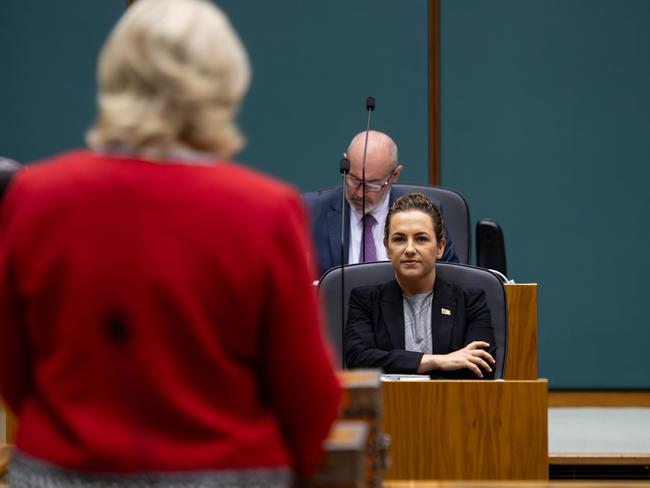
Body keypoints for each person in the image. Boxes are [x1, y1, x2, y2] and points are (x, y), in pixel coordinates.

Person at [0, 1, 340, 486]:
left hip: (64, 471)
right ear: (225, 87)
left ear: (113, 78)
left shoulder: (35, 196)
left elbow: (13, 368)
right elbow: (308, 395)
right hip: (227, 473)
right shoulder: (264, 209)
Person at [344, 193, 496, 379]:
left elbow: (481, 367)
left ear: (440, 247)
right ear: (387, 248)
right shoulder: (365, 300)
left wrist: (394, 367)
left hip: (453, 405)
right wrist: (438, 361)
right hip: (387, 406)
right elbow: (358, 360)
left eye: (421, 239)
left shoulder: (470, 301)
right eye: (399, 239)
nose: (409, 249)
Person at [303, 130, 459, 279]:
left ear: (395, 175)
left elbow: (451, 281)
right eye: (353, 180)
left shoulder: (425, 213)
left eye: (372, 185)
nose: (360, 193)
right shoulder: (310, 210)